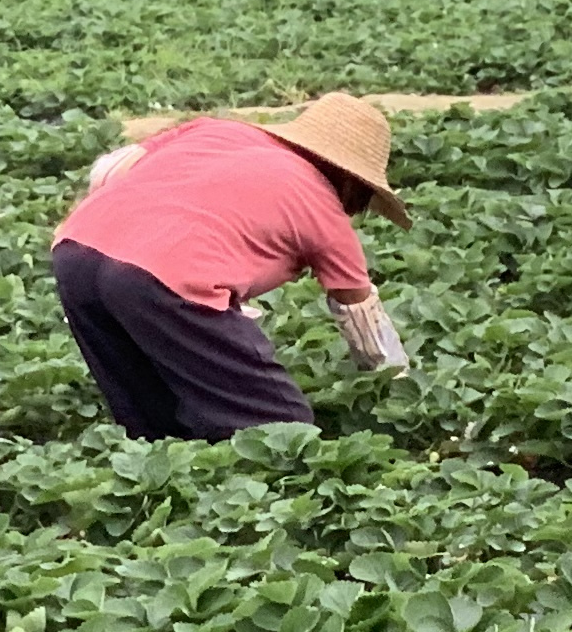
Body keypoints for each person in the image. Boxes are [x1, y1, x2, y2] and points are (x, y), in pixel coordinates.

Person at [51, 93, 408, 440]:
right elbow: (361, 313)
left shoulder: (214, 130)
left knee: (156, 424)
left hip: (76, 256)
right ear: (352, 181)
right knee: (280, 431)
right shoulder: (324, 210)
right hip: (162, 278)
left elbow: (110, 170)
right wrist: (396, 384)